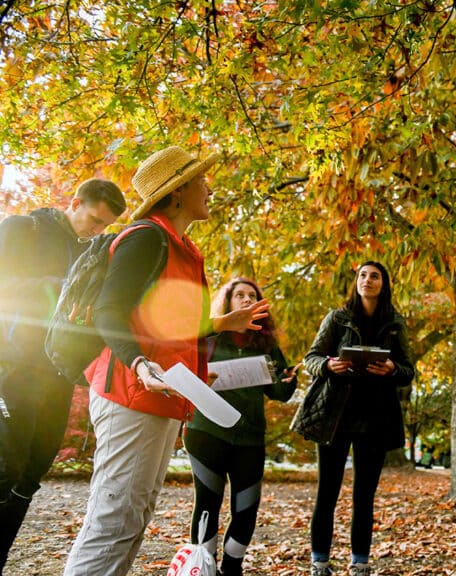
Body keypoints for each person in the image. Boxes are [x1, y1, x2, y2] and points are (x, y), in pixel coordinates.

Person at [62, 146, 269, 576]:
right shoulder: (146, 237)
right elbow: (109, 311)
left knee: (133, 517)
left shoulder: (182, 247)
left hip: (161, 397)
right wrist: (139, 364)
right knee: (114, 519)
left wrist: (213, 335)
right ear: (176, 193)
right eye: (200, 181)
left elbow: (166, 327)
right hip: (130, 392)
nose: (209, 188)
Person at [0, 178, 126, 572]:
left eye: (105, 226)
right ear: (75, 202)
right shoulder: (23, 228)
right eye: (94, 219)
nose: (97, 230)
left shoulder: (92, 252)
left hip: (56, 376)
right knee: (5, 470)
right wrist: (60, 288)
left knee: (31, 476)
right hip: (12, 367)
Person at [293, 261, 414, 576]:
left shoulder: (395, 323)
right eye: (362, 275)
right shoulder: (337, 318)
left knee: (364, 495)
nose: (367, 280)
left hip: (376, 417)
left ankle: (359, 563)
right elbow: (312, 358)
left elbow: (408, 370)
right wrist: (328, 365)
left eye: (374, 276)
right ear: (356, 282)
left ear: (383, 284)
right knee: (328, 490)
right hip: (336, 414)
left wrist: (392, 370)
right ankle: (319, 563)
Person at [184, 278, 298, 576]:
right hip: (204, 431)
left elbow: (278, 393)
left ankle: (232, 567)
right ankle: (204, 567)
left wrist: (289, 381)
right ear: (228, 302)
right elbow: (179, 365)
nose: (247, 300)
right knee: (207, 501)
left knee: (246, 508)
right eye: (240, 295)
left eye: (252, 295)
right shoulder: (208, 338)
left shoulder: (267, 345)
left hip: (249, 437)